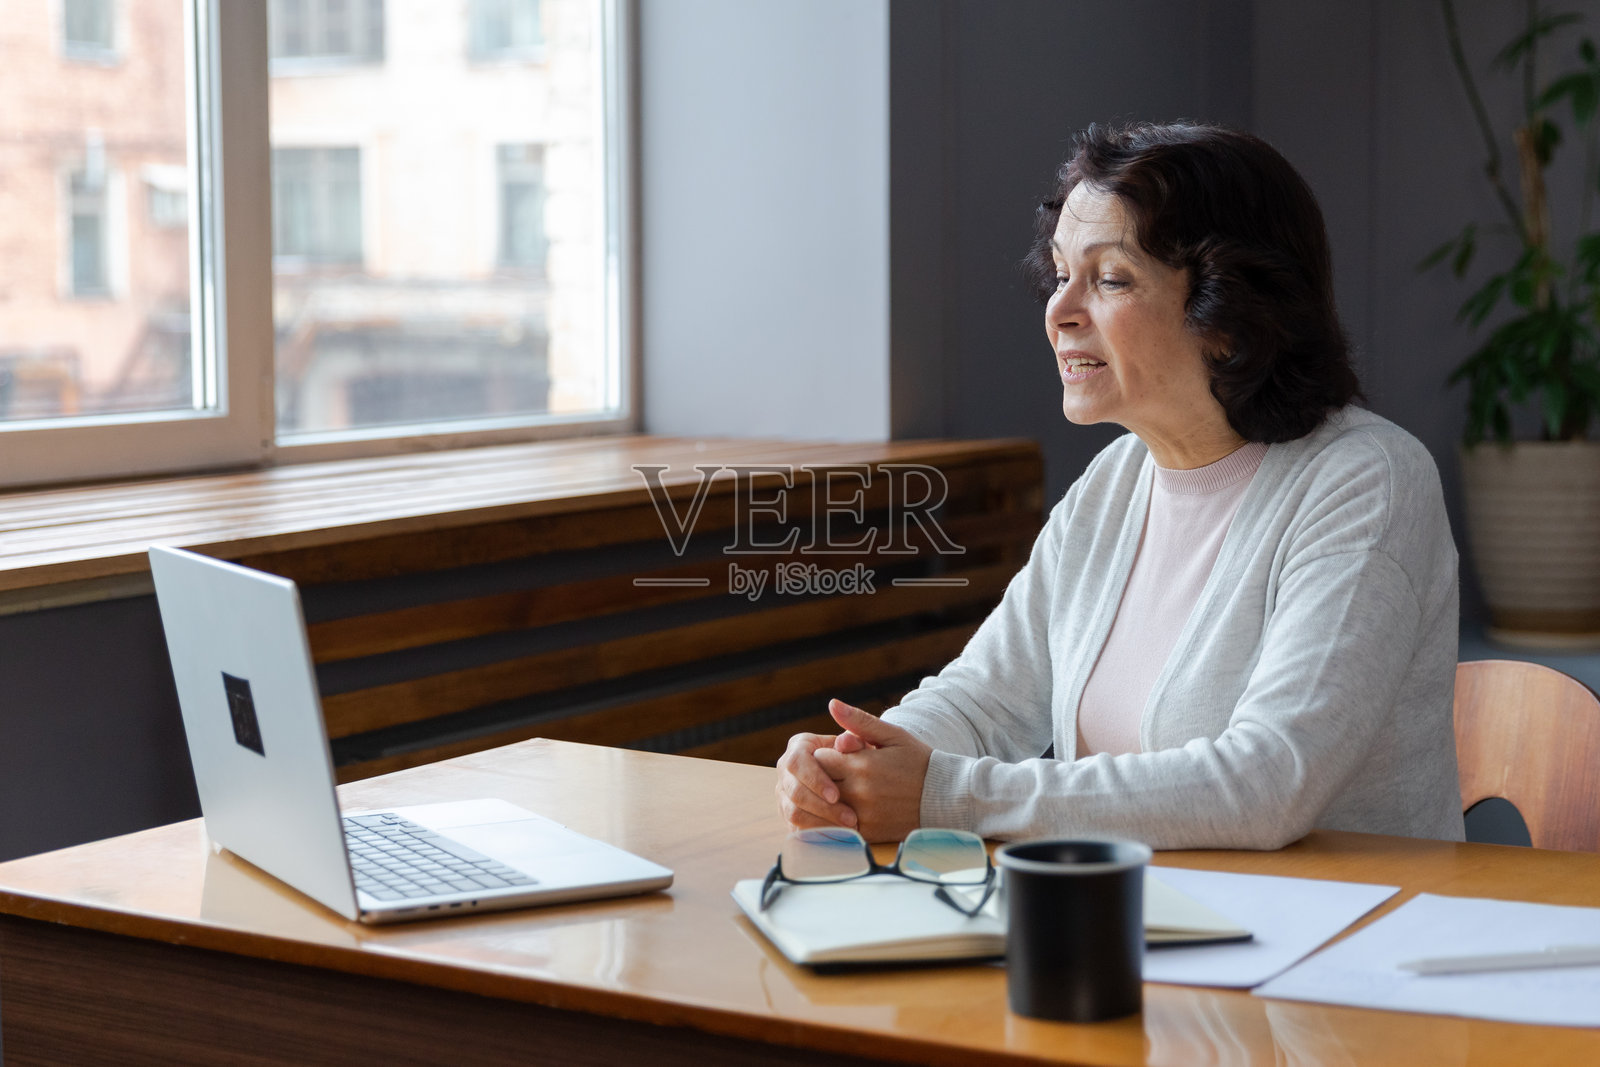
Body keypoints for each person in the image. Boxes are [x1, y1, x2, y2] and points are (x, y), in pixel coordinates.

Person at [776, 121, 1464, 851]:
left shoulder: (1369, 480)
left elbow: (1268, 782)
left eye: (1109, 279)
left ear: (1231, 317)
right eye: (1060, 274)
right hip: (1142, 910)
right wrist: (860, 762)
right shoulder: (1115, 480)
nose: (1059, 311)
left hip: (1350, 918)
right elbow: (984, 699)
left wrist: (946, 796)